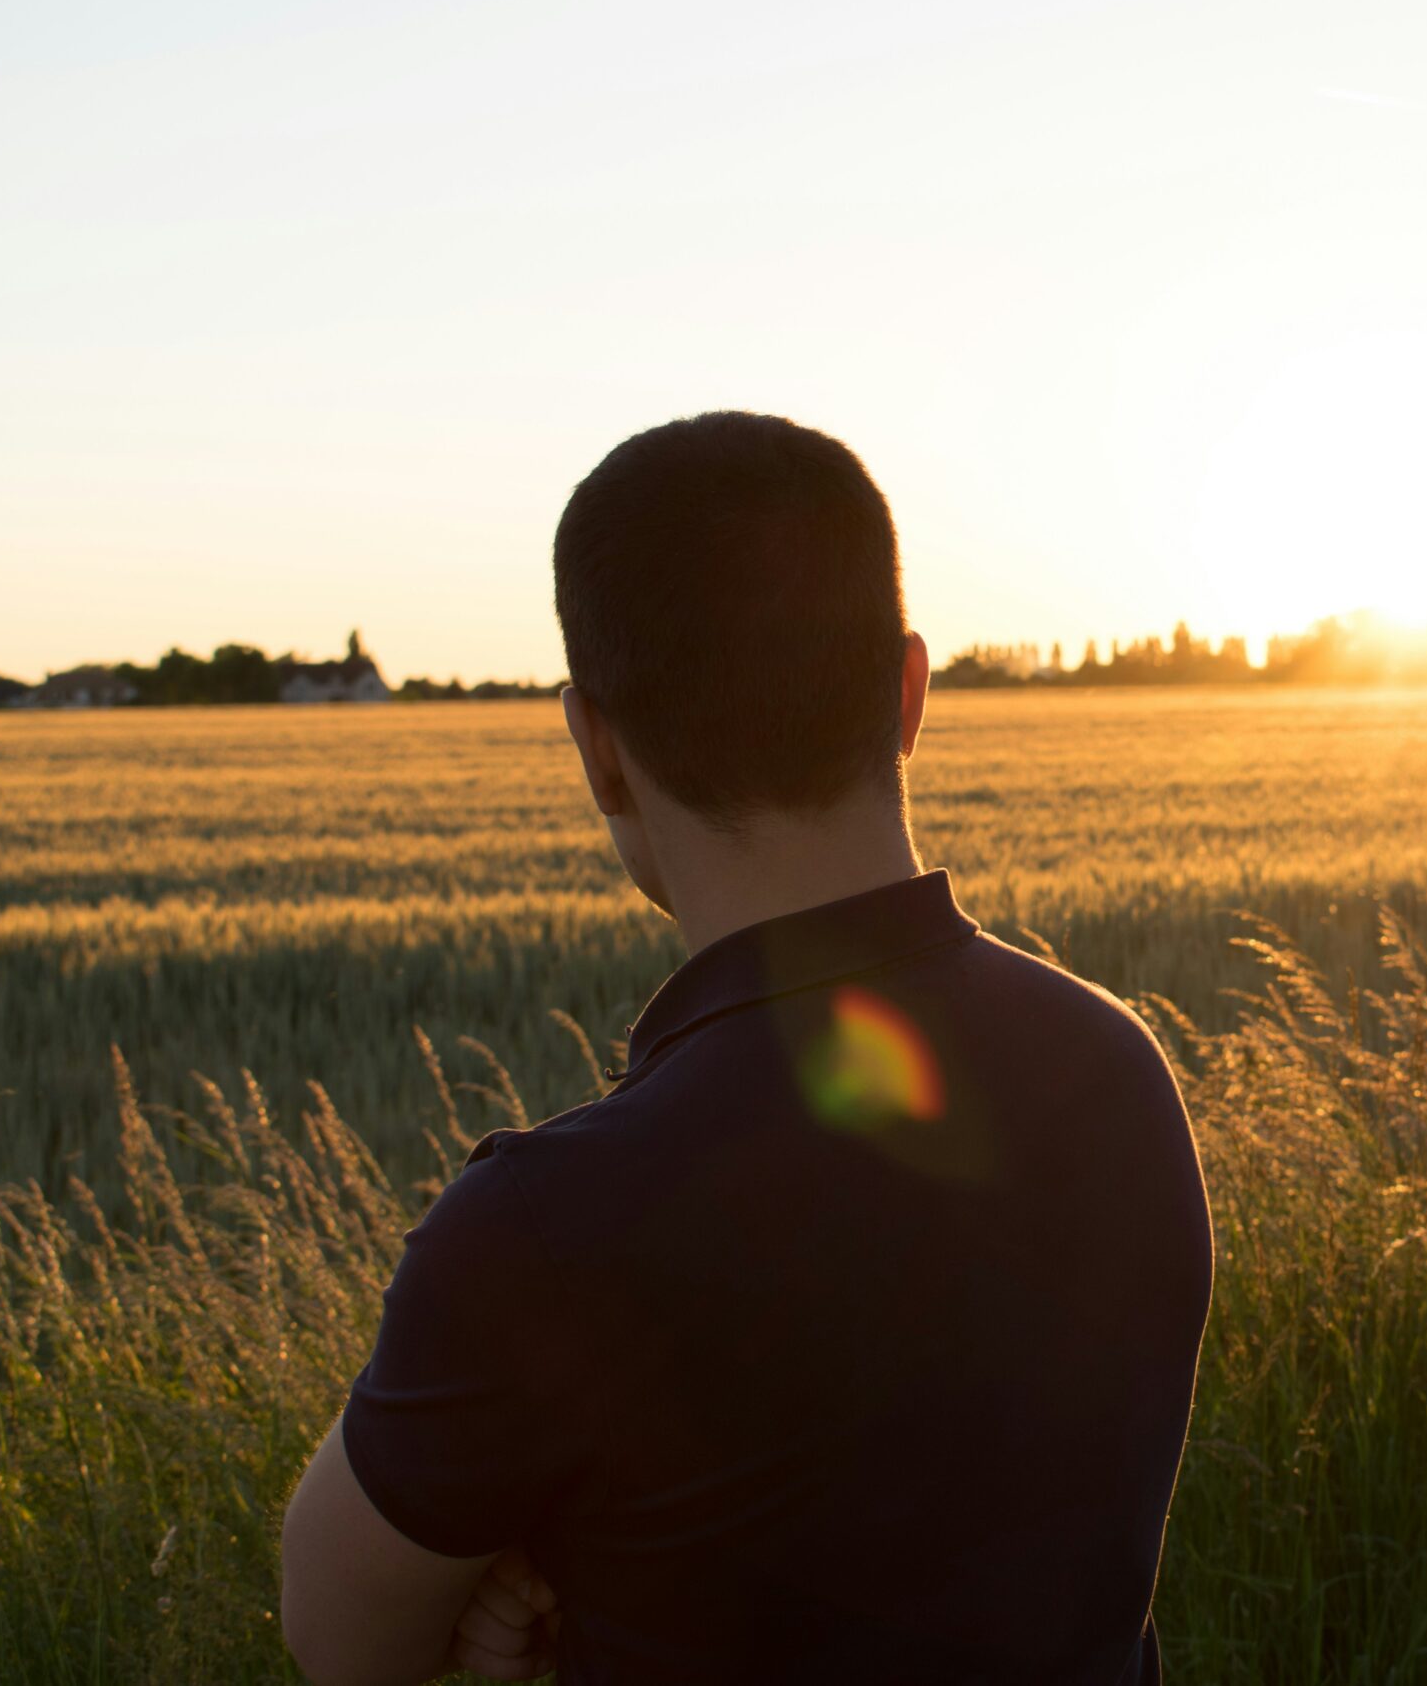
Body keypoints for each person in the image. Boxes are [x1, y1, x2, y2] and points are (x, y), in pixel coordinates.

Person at [279, 412, 1214, 1684]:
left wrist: (542, 1567)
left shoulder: (546, 1231)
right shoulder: (1116, 1071)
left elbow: (341, 1642)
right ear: (907, 692)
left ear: (596, 748)